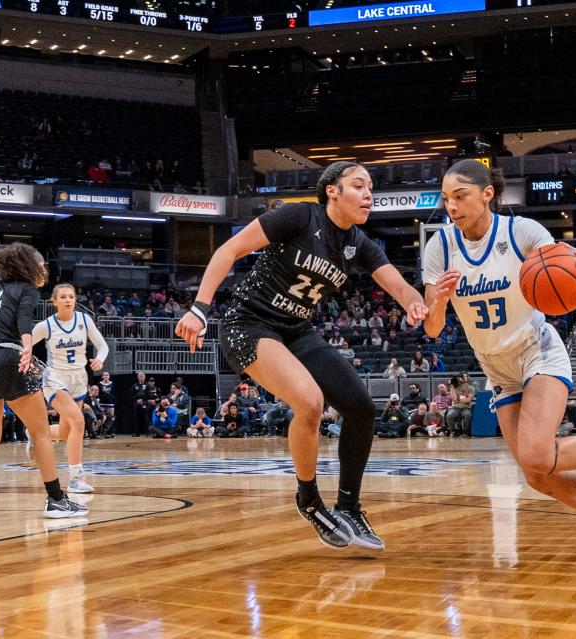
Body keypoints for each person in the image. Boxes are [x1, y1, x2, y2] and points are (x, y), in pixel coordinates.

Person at [422, 159, 576, 567]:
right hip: (496, 368)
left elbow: (568, 267)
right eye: (446, 198)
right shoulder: (441, 247)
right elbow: (433, 329)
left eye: (460, 195)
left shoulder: (521, 231)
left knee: (536, 455)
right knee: (538, 476)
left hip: (536, 349)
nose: (451, 205)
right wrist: (440, 302)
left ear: (487, 194)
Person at [175, 161, 428, 551]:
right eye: (358, 186)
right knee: (309, 402)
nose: (368, 194)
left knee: (361, 408)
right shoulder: (298, 216)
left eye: (371, 188)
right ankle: (308, 499)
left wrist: (417, 304)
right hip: (248, 324)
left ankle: (349, 507)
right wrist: (199, 308)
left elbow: (397, 285)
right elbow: (231, 249)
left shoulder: (359, 243)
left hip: (297, 331)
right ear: (332, 190)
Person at [0, 243, 87, 523]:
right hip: (8, 359)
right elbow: (24, 321)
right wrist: (27, 348)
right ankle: (56, 500)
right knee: (40, 434)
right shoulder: (27, 289)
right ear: (28, 267)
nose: (44, 269)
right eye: (41, 265)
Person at [29, 283, 109, 494]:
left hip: (79, 379)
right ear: (54, 301)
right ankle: (76, 478)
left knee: (66, 431)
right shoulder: (46, 325)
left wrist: (99, 360)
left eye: (71, 296)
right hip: (55, 379)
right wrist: (26, 360)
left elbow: (103, 346)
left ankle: (35, 433)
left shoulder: (84, 320)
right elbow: (25, 343)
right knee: (78, 420)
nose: (67, 300)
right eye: (62, 297)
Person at [446, 372, 475, 437]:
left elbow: (468, 400)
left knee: (468, 415)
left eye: (465, 376)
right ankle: (454, 431)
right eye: (462, 377)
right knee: (449, 415)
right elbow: (454, 399)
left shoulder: (471, 388)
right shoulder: (455, 387)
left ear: (468, 378)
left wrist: (458, 400)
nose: (464, 378)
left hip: (466, 407)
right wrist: (452, 387)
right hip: (456, 407)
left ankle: (465, 432)